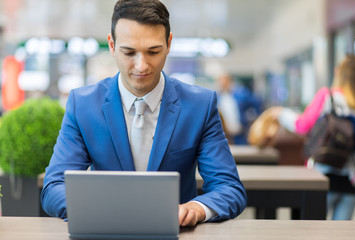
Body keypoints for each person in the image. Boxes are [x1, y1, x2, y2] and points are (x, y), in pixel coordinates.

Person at [41, 0, 247, 227]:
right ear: (111, 45)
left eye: (153, 51)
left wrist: (196, 209)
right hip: (105, 230)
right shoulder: (83, 105)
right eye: (129, 52)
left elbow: (228, 187)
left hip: (175, 231)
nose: (141, 66)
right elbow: (54, 188)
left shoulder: (200, 105)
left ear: (169, 44)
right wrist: (102, 211)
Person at [275, 54, 355, 220]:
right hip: (352, 181)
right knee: (341, 235)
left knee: (312, 232)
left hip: (321, 177)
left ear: (338, 73)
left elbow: (302, 126)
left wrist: (281, 113)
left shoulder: (327, 96)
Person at [216, 73, 262, 145]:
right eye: (221, 83)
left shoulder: (241, 95)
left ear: (230, 82)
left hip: (240, 134)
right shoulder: (217, 98)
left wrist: (255, 118)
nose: (223, 84)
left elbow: (257, 102)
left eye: (225, 82)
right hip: (224, 136)